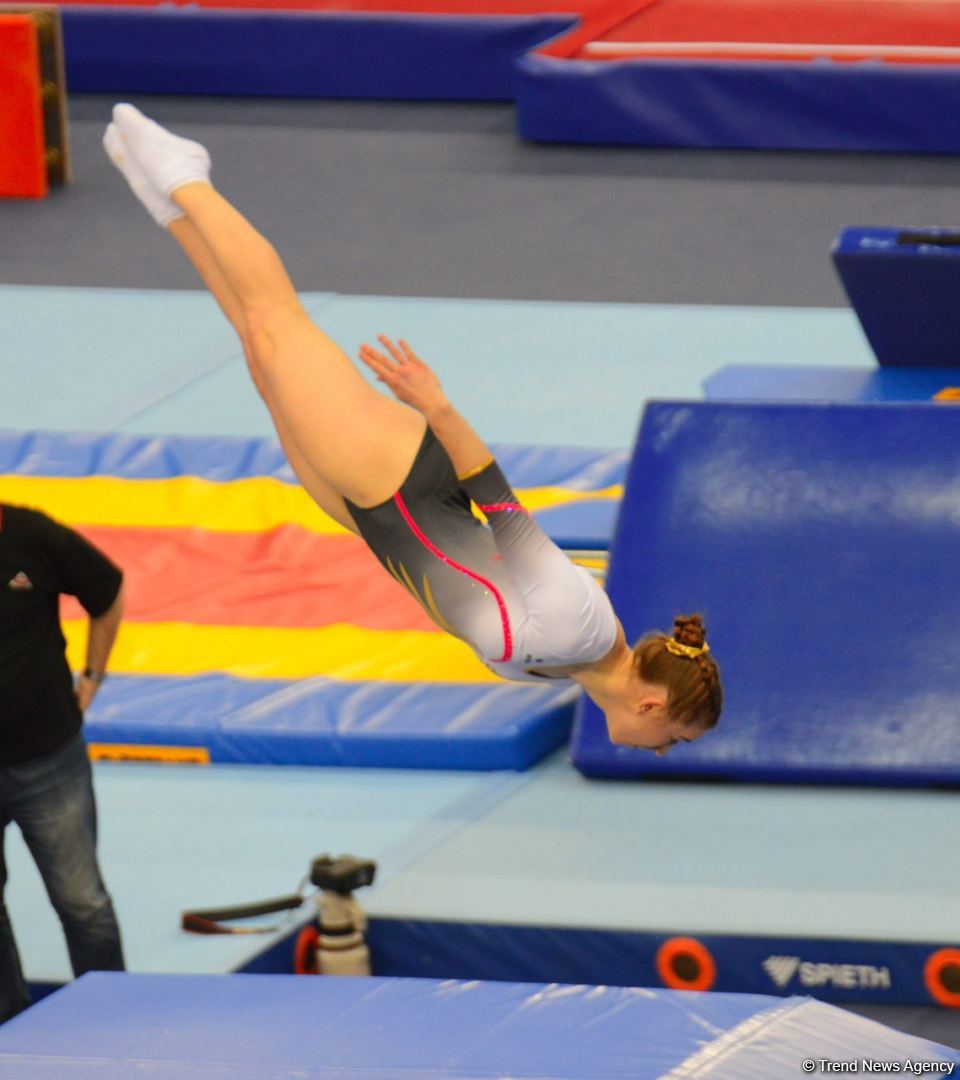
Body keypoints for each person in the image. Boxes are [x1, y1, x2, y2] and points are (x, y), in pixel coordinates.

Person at [102, 103, 723, 755]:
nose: (663, 748)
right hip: (398, 481)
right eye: (673, 737)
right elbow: (502, 508)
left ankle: (169, 208)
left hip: (378, 520)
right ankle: (184, 176)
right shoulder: (580, 629)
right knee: (276, 319)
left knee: (260, 350)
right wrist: (438, 407)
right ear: (651, 703)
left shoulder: (565, 665)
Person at [0, 503, 125, 1023]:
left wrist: (93, 675)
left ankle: (111, 1020)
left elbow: (107, 591)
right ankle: (8, 1024)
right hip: (43, 755)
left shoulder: (30, 534)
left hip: (46, 758)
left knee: (82, 903)